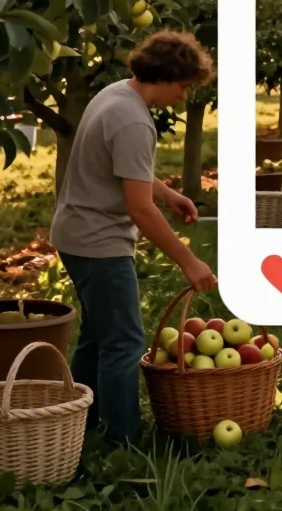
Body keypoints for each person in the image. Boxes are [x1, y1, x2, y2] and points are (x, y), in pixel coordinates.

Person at [50, 31, 218, 445]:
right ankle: (121, 440)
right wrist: (189, 260)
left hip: (74, 233)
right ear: (166, 77)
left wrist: (169, 193)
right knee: (124, 342)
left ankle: (80, 421)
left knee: (97, 336)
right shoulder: (132, 122)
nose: (182, 97)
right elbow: (139, 209)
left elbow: (127, 172)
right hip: (98, 241)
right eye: (183, 86)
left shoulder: (116, 94)